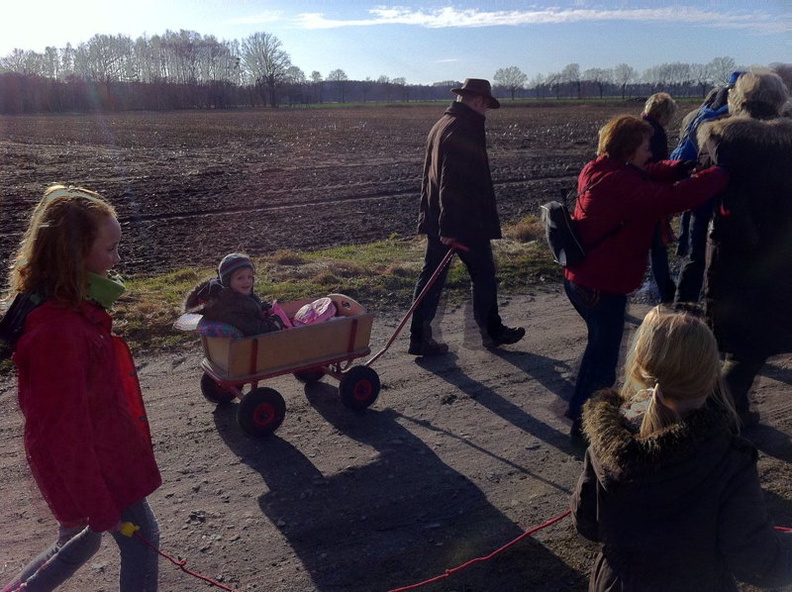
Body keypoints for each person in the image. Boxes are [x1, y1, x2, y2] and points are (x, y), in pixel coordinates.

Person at [1, 185, 162, 591]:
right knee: (142, 542)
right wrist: (97, 502)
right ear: (74, 255)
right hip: (96, 464)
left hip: (97, 456)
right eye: (110, 249)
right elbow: (63, 429)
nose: (118, 259)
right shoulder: (58, 329)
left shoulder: (75, 307)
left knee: (78, 542)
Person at [571, 307, 792, 591]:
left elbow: (587, 523)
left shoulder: (606, 441)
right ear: (711, 377)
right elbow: (758, 562)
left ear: (638, 367)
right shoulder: (727, 460)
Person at [563, 114, 729, 441]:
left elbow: (648, 173)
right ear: (627, 148)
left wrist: (679, 169)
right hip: (600, 284)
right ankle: (584, 431)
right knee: (602, 361)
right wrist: (718, 174)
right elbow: (671, 199)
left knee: (598, 350)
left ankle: (577, 411)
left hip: (584, 277)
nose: (650, 153)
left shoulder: (600, 167)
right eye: (644, 146)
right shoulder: (619, 182)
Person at [700, 71, 792, 426]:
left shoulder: (723, 139)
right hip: (776, 255)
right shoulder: (785, 145)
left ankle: (733, 409)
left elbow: (708, 188)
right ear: (778, 99)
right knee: (751, 346)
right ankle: (710, 417)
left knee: (739, 339)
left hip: (729, 252)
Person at [409, 78, 524, 356]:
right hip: (463, 222)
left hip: (441, 216)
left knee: (431, 277)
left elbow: (431, 179)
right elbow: (451, 180)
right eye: (486, 106)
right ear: (477, 101)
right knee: (483, 274)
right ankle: (491, 331)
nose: (486, 113)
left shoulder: (442, 124)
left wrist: (437, 220)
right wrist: (449, 226)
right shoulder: (466, 127)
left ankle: (419, 338)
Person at [674, 71, 744, 303]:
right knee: (719, 252)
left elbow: (684, 154)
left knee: (695, 251)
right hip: (720, 196)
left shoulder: (698, 115)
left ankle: (684, 304)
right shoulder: (736, 123)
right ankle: (712, 303)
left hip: (699, 191)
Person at [184, 252, 284, 336]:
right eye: (240, 278)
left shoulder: (237, 297)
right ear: (228, 282)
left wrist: (262, 307)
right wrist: (276, 321)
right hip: (251, 349)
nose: (247, 281)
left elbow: (249, 306)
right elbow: (259, 330)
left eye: (249, 277)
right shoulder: (229, 308)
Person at [641, 92, 678, 303]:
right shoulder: (656, 132)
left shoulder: (636, 126)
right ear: (663, 113)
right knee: (658, 245)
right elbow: (661, 167)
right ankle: (665, 293)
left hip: (635, 193)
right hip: (652, 195)